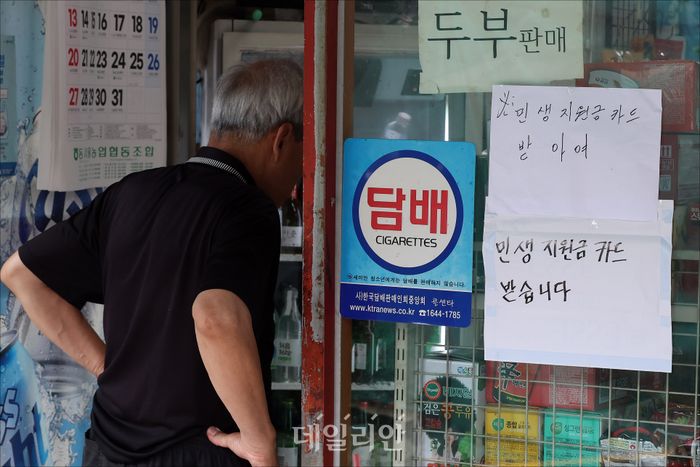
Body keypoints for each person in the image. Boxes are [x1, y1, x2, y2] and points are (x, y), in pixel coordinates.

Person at [0, 59, 303, 467]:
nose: (301, 177)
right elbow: (215, 316)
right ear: (281, 139)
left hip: (108, 448)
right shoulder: (248, 209)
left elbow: (21, 274)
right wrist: (259, 440)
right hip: (198, 451)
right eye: (305, 154)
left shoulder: (131, 192)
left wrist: (105, 366)